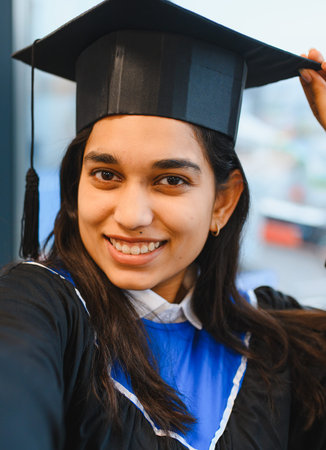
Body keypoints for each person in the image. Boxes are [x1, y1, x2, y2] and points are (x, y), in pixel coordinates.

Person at [1, 1, 326, 449]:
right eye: (106, 175)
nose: (132, 216)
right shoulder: (42, 309)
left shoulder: (274, 340)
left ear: (223, 202)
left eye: (170, 180)